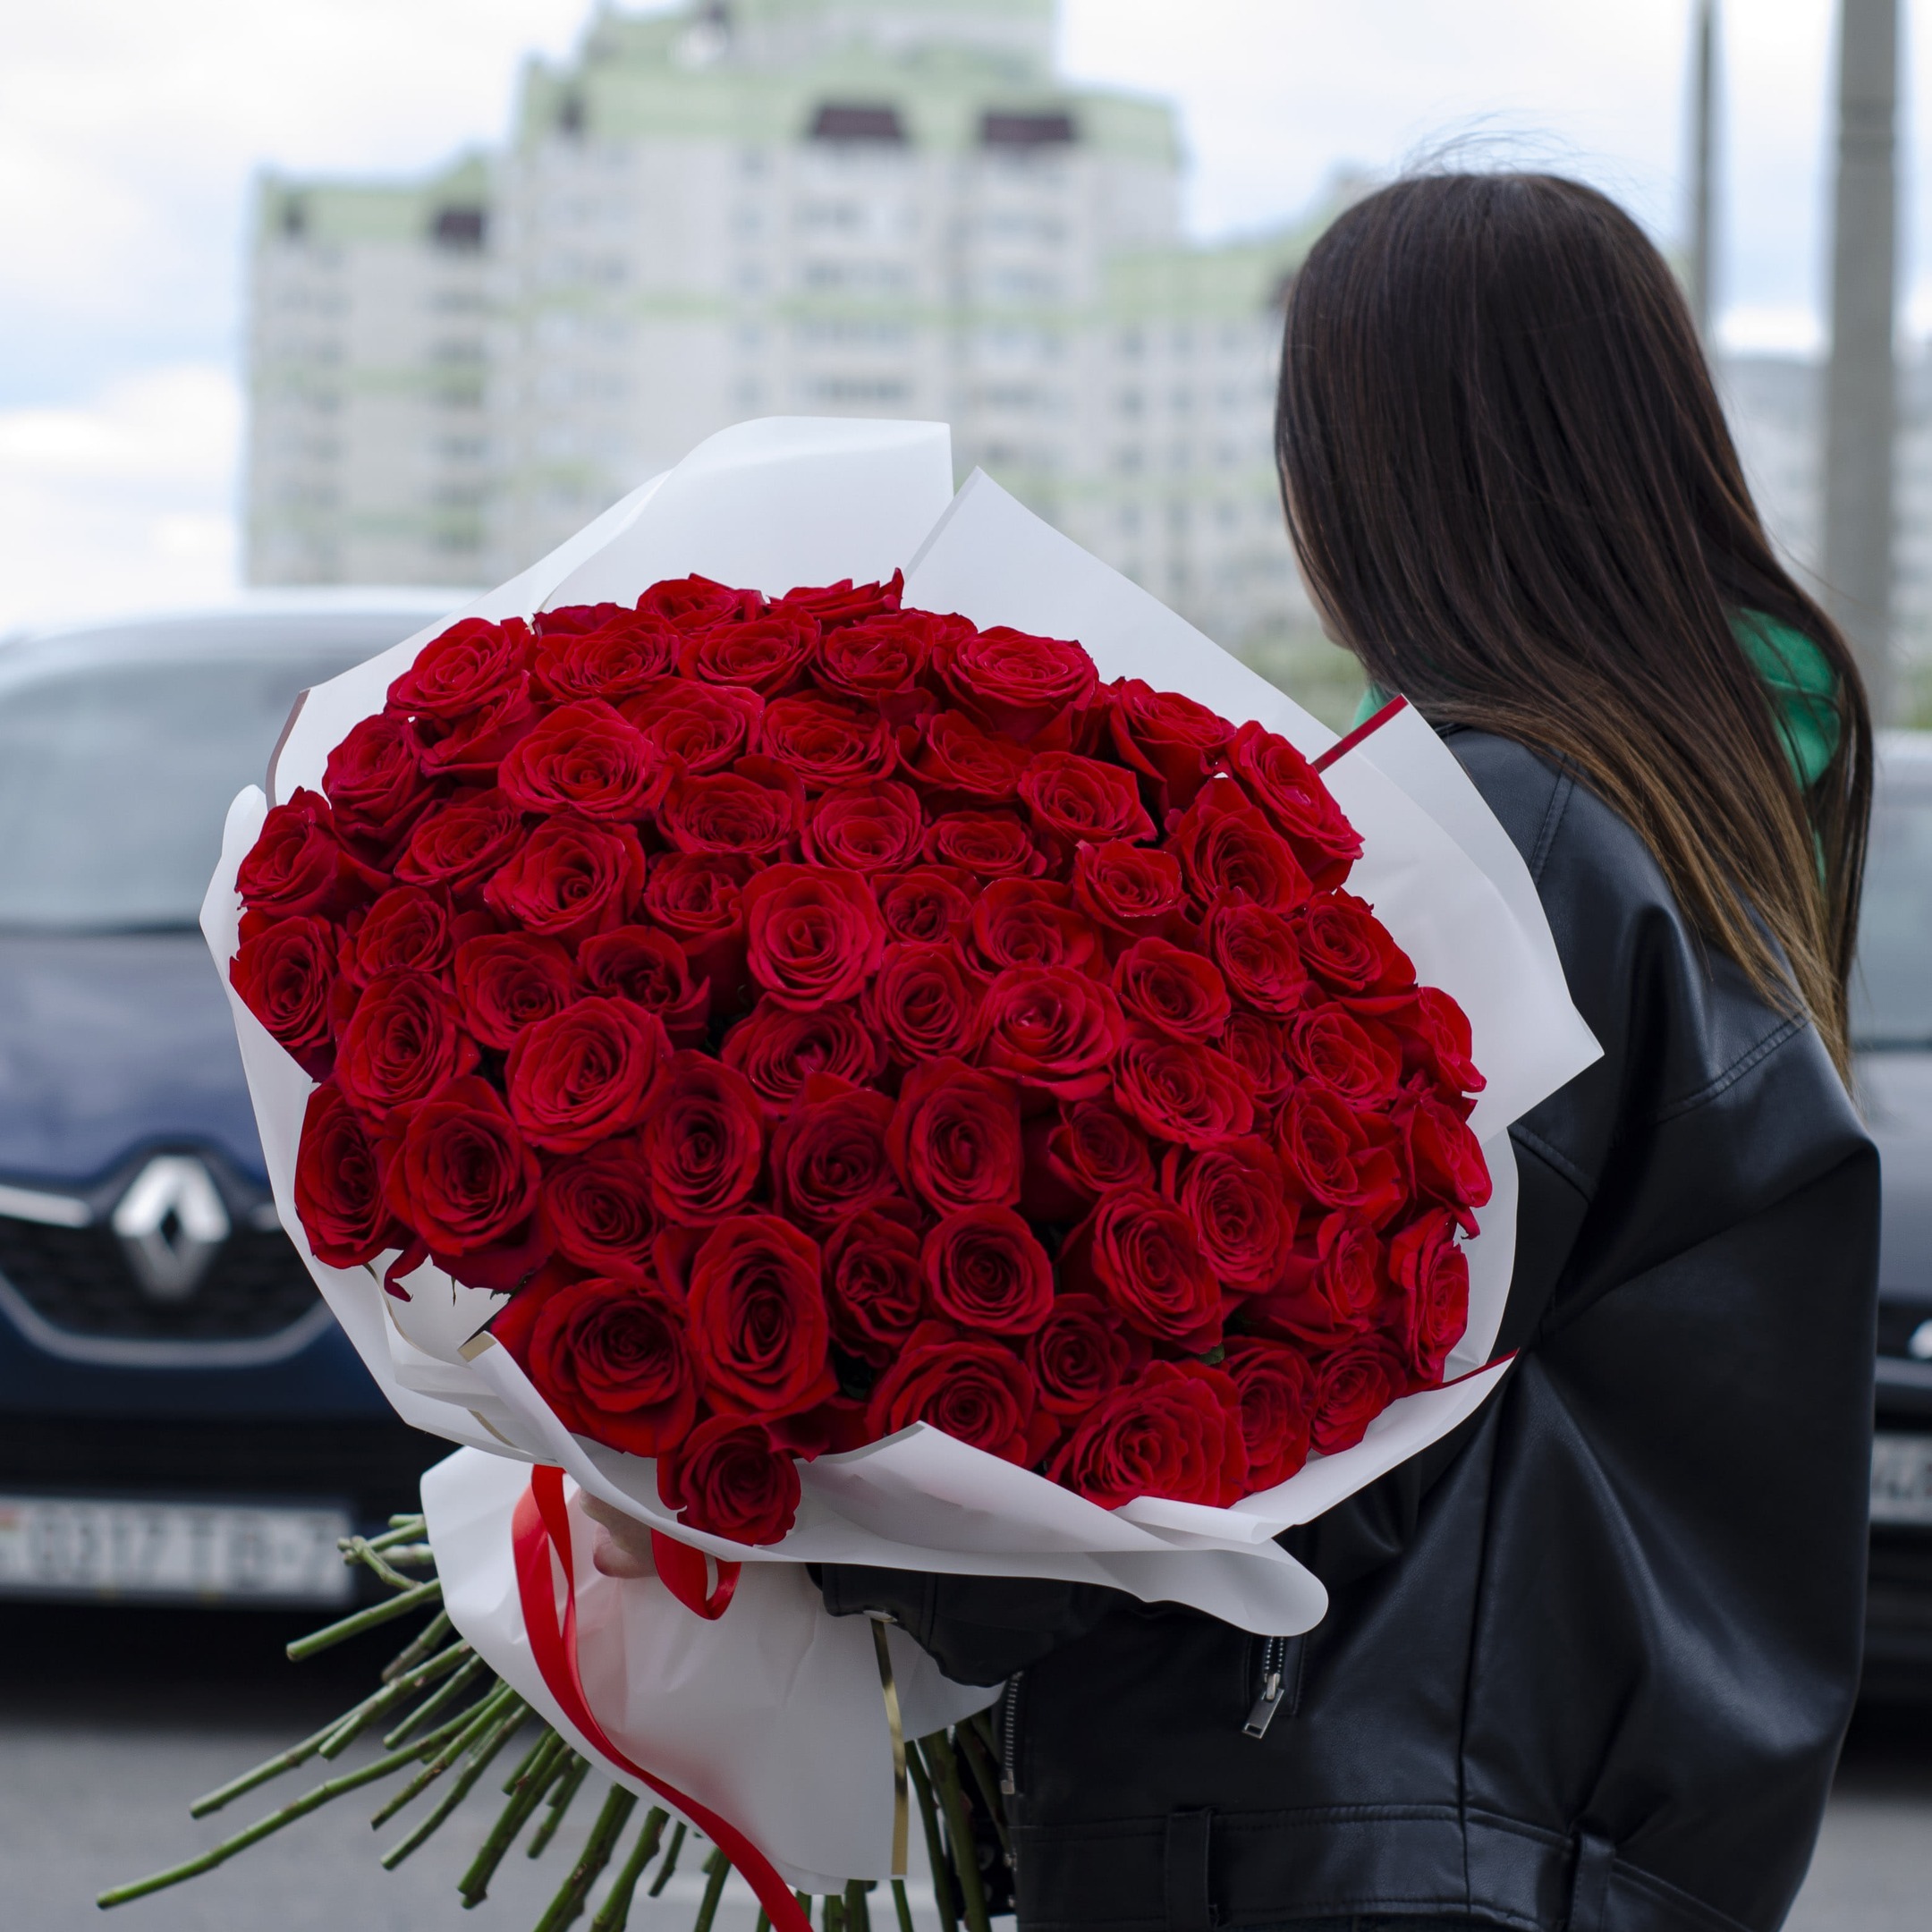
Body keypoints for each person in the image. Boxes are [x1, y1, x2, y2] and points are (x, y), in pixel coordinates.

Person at [595, 173, 1881, 1932]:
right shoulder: (1692, 815)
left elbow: (1245, 1389)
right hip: (1531, 1835)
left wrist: (757, 1502)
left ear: (1383, 475)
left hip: (1373, 1842)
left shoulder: (1506, 846)